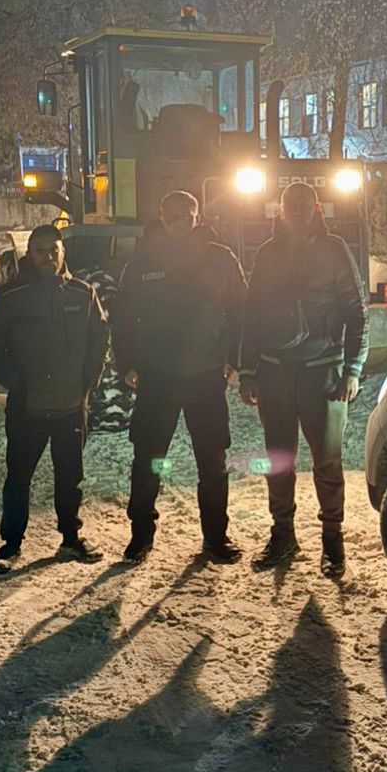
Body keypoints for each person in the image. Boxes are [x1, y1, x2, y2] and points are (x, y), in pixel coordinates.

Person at [240, 181, 368, 577]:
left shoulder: (334, 251)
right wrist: (247, 370)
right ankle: (283, 536)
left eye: (303, 204)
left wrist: (353, 370)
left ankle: (333, 542)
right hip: (275, 373)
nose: (296, 210)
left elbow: (357, 314)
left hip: (323, 376)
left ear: (316, 207)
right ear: (280, 209)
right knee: (279, 462)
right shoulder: (267, 254)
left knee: (327, 463)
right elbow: (252, 315)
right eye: (289, 204)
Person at [111, 190, 246, 564]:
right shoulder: (143, 261)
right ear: (162, 216)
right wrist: (128, 363)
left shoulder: (220, 258)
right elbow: (122, 316)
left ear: (196, 215)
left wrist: (234, 360)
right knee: (149, 459)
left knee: (213, 462)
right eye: (172, 215)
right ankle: (140, 536)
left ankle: (216, 538)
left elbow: (241, 312)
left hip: (205, 377)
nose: (179, 220)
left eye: (186, 214)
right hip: (157, 377)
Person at [0, 224, 109, 566]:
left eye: (54, 250)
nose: (48, 257)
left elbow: (100, 340)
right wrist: (17, 381)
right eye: (40, 251)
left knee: (70, 477)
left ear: (63, 253)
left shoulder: (83, 294)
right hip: (27, 407)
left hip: (70, 406)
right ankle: (11, 545)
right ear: (29, 255)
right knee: (18, 477)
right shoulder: (10, 298)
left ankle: (70, 538)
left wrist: (86, 384)